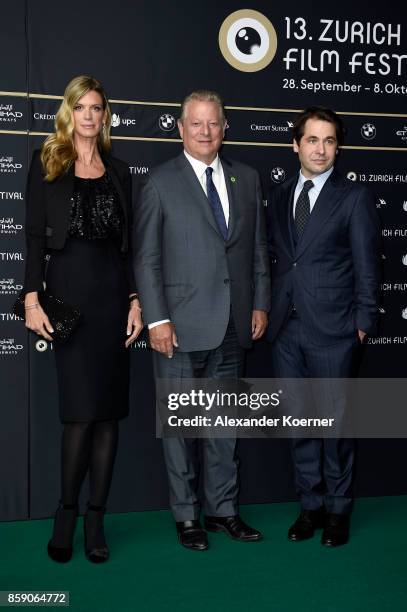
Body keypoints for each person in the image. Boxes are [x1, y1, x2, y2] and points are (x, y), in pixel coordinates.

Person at [133, 90, 270, 551]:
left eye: (214, 124)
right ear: (181, 128)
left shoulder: (246, 179)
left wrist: (260, 304)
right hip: (180, 327)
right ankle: (187, 516)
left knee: (224, 428)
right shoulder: (159, 182)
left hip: (233, 324)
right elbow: (147, 260)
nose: (206, 132)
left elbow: (255, 252)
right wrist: (156, 320)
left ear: (225, 128)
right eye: (197, 124)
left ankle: (223, 511)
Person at [23, 75, 142, 563]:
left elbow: (128, 247)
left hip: (113, 298)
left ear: (105, 115)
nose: (89, 116)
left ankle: (96, 517)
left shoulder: (119, 171)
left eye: (97, 108)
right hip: (69, 300)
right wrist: (31, 299)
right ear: (68, 113)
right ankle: (66, 512)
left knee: (108, 416)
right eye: (82, 107)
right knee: (79, 417)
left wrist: (136, 300)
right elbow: (32, 237)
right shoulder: (46, 163)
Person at [266, 106, 381, 546]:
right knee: (299, 425)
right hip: (286, 329)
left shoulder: (353, 197)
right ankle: (309, 507)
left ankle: (338, 511)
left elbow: (369, 266)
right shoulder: (278, 195)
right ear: (296, 145)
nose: (320, 149)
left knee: (335, 428)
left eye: (329, 141)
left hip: (335, 329)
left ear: (337, 148)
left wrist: (363, 323)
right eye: (312, 140)